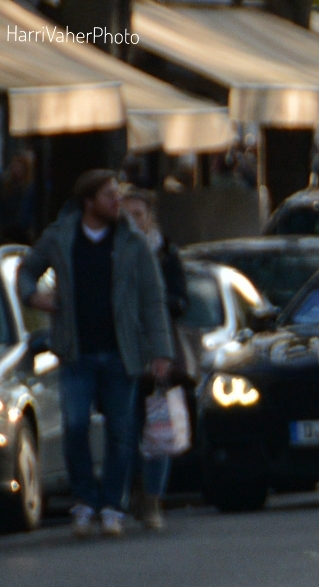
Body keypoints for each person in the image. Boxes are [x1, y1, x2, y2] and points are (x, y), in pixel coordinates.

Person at [19, 169, 174, 540]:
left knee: (121, 433)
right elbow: (27, 269)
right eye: (109, 196)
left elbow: (153, 299)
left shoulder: (132, 242)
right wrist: (33, 295)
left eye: (117, 195)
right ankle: (85, 502)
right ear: (89, 203)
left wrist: (161, 350)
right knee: (74, 427)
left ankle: (112, 506)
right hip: (77, 352)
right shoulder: (61, 236)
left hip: (121, 352)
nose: (116, 202)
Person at [119, 187, 188, 533]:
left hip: (158, 348)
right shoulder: (112, 251)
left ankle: (153, 500)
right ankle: (132, 490)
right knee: (127, 428)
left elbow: (181, 299)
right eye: (126, 213)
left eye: (138, 213)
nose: (133, 220)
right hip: (125, 351)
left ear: (150, 218)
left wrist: (157, 301)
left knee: (159, 426)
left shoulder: (165, 252)